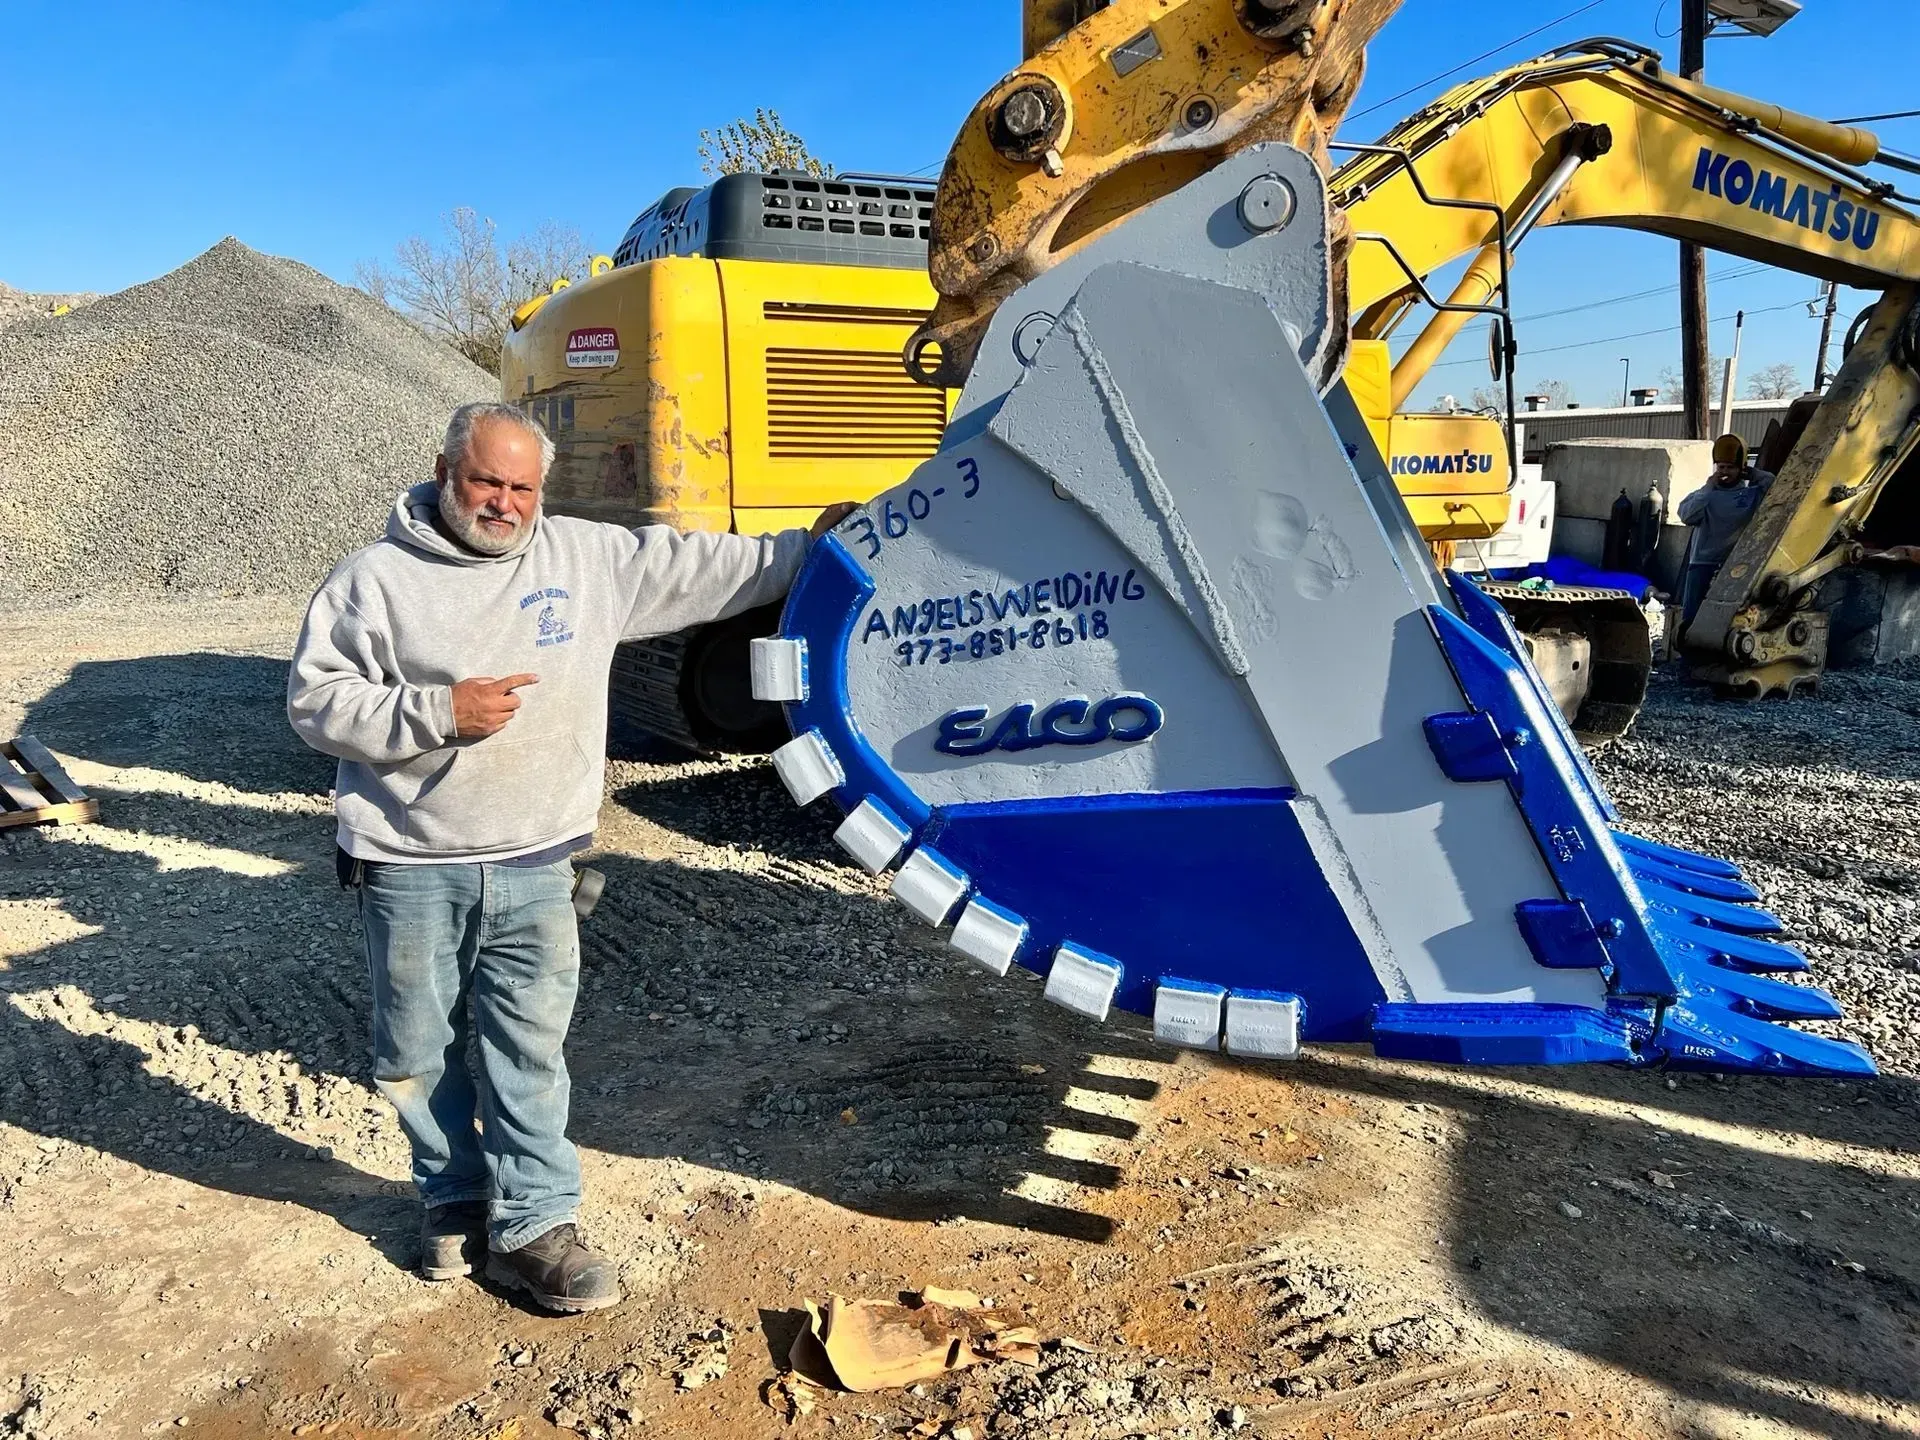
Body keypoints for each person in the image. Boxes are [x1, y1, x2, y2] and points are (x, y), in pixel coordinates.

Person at [288, 401, 853, 1314]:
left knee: (528, 1048)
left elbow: (710, 566)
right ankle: (452, 1198)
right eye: (487, 481)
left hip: (539, 859)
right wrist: (436, 713)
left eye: (523, 487)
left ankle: (534, 1225)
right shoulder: (373, 581)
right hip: (411, 861)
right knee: (417, 1049)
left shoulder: (586, 560)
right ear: (444, 472)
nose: (504, 503)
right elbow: (315, 705)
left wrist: (814, 548)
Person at [1678, 433, 1775, 625]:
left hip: (1735, 566)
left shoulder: (1750, 495)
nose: (1725, 472)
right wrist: (1708, 488)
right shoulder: (1703, 496)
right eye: (1721, 467)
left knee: (1728, 619)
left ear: (1741, 468)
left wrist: (1752, 473)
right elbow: (1686, 516)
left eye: (1731, 467)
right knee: (1692, 619)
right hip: (1702, 565)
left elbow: (1773, 483)